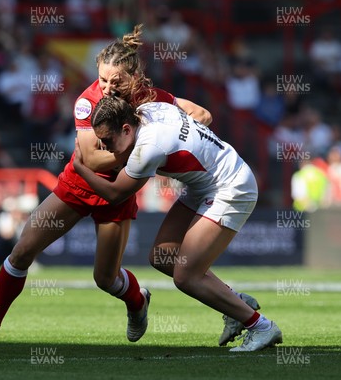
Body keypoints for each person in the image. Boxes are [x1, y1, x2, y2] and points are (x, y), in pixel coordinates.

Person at [0, 24, 221, 346]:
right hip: (76, 187)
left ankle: (138, 302)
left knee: (105, 279)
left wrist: (170, 140)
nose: (107, 87)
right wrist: (144, 154)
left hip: (118, 194)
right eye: (103, 79)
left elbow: (202, 115)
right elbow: (91, 160)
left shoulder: (150, 99)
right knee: (22, 251)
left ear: (134, 77)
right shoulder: (87, 101)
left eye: (116, 81)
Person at [72, 96, 283, 351]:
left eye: (108, 141)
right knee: (163, 256)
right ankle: (236, 303)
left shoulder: (148, 148)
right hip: (205, 184)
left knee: (186, 277)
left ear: (126, 129)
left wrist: (80, 167)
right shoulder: (148, 110)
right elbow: (201, 115)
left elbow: (116, 193)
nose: (106, 149)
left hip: (230, 187)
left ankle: (261, 327)